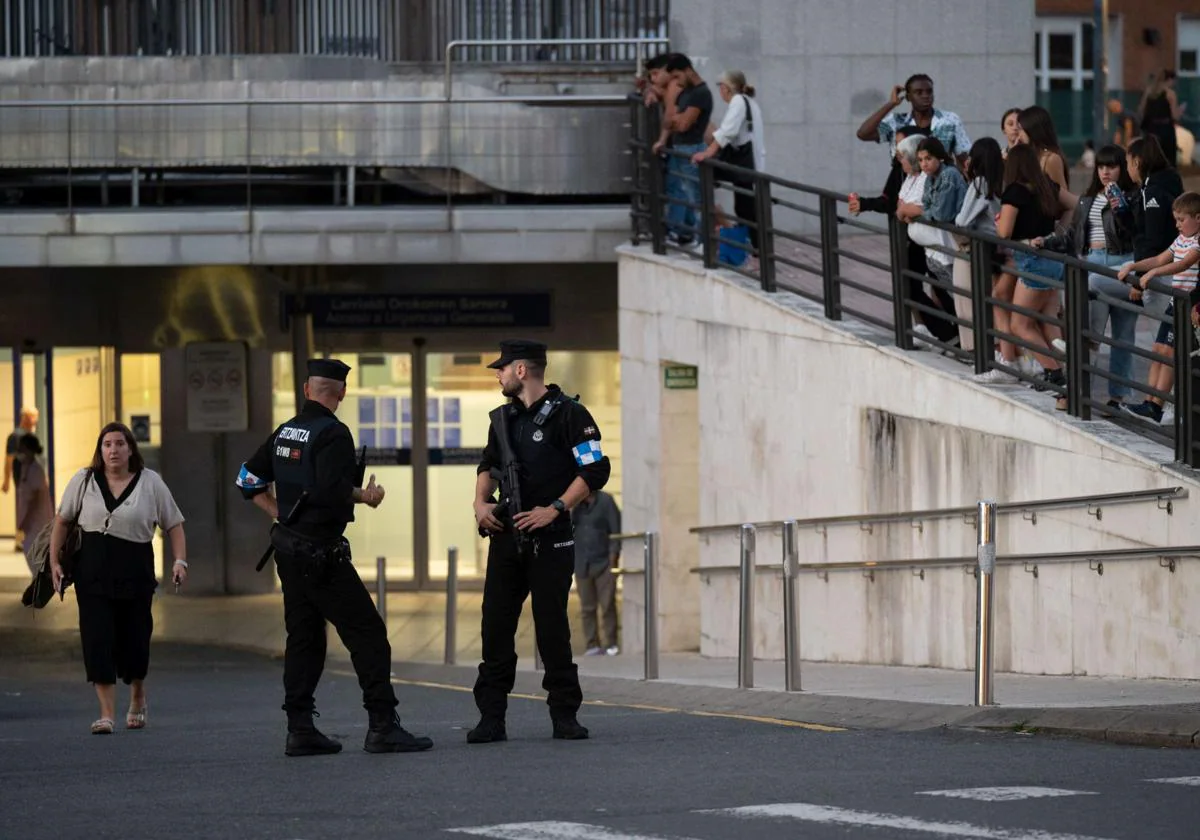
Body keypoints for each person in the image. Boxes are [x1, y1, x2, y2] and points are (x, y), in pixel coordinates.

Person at [236, 358, 433, 757]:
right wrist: (366, 496)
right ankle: (382, 725)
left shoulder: (286, 431)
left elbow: (247, 478)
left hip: (287, 551)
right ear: (340, 393)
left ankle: (300, 728)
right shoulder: (334, 434)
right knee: (369, 634)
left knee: (304, 638)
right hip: (321, 553)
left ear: (307, 390)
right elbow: (329, 490)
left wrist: (276, 510)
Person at [470, 339, 611, 743]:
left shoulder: (572, 415)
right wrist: (480, 503)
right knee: (495, 628)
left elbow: (595, 469)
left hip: (551, 538)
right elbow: (489, 465)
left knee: (552, 629)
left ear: (521, 371)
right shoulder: (503, 419)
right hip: (506, 537)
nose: (497, 373)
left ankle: (564, 714)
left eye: (502, 367)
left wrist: (556, 508)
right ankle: (491, 718)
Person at [48, 422, 188, 735]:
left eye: (120, 444)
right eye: (108, 444)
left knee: (135, 641)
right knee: (97, 639)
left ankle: (137, 695)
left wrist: (180, 561)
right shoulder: (84, 481)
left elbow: (174, 524)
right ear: (100, 450)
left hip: (135, 572)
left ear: (130, 449)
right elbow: (62, 520)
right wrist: (54, 561)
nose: (113, 450)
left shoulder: (151, 483)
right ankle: (106, 713)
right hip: (93, 574)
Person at [1039, 145, 1137, 412]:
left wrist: (1119, 203)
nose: (1106, 171)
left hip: (1124, 263)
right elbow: (1073, 236)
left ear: (1123, 168)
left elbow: (1133, 229)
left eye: (1112, 166)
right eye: (1102, 166)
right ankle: (1076, 391)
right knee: (1090, 333)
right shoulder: (1087, 199)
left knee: (1123, 336)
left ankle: (1118, 398)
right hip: (1093, 263)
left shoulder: (1132, 196)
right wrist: (1047, 242)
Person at [1119, 193, 1200, 423]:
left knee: (1170, 353)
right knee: (1157, 349)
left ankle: (1157, 405)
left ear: (1198, 218)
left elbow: (1183, 264)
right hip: (1175, 302)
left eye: (1181, 220)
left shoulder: (1197, 242)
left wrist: (1154, 274)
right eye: (1176, 219)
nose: (1177, 224)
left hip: (1187, 303)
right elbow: (1158, 259)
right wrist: (1134, 266)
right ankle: (1149, 402)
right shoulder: (1181, 239)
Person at [691, 70, 766, 254]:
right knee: (744, 205)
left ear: (725, 88)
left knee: (745, 206)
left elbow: (728, 131)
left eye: (721, 88)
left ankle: (753, 245)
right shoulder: (749, 102)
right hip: (748, 161)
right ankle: (753, 245)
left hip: (745, 162)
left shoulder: (738, 101)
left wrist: (708, 152)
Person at [654, 54, 713, 246]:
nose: (676, 82)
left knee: (696, 197)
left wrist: (677, 120)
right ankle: (694, 238)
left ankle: (703, 242)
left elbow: (683, 124)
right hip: (681, 149)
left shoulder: (700, 93)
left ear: (687, 71)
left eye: (678, 77)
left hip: (692, 149)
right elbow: (670, 120)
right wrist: (676, 120)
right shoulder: (685, 92)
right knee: (687, 194)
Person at [856, 74, 971, 167]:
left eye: (929, 91)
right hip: (904, 186)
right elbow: (863, 134)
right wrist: (891, 104)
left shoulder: (949, 120)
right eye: (919, 92)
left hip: (940, 187)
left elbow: (963, 157)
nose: (925, 96)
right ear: (908, 97)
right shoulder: (896, 122)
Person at [572, 489, 622, 656]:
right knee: (587, 608)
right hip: (581, 564)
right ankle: (592, 644)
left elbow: (615, 532)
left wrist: (613, 561)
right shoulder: (574, 506)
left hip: (603, 563)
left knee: (607, 605)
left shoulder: (606, 501)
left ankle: (611, 644)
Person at [14, 434, 52, 575]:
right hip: (31, 521)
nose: (20, 453)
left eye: (22, 449)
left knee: (33, 551)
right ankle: (37, 582)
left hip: (37, 521)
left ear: (29, 450)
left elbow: (35, 499)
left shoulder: (36, 469)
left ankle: (39, 583)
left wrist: (25, 520)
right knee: (30, 550)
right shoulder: (26, 467)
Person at [4, 407, 39, 551]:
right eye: (32, 417)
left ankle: (24, 539)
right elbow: (9, 460)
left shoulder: (31, 436)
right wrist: (6, 481)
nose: (34, 421)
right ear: (24, 418)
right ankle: (21, 541)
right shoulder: (16, 436)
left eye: (35, 417)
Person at [1139, 70, 1182, 168]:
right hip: (1166, 130)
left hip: (1151, 129)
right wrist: (1180, 111)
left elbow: (1141, 110)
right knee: (1168, 159)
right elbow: (1175, 116)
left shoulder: (1148, 92)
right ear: (1168, 80)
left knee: (1152, 158)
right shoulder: (1170, 94)